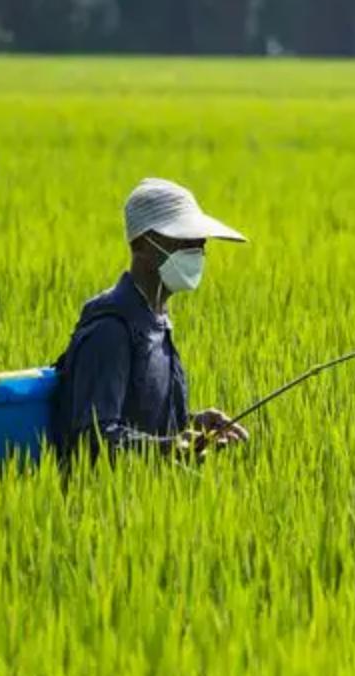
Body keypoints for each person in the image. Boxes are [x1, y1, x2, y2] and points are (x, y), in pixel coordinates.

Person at [50, 177, 249, 463]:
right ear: (143, 244)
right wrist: (167, 447)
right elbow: (93, 435)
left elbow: (143, 418)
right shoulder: (110, 329)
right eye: (184, 240)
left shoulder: (156, 320)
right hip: (106, 491)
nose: (197, 250)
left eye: (200, 243)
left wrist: (192, 424)